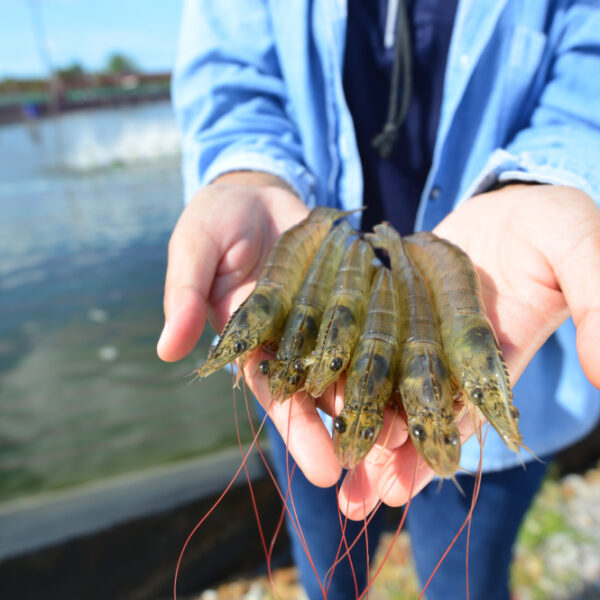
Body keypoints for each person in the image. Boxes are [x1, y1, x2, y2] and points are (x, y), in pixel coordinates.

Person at [159, 1, 600, 598]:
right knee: (326, 563)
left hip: (524, 346)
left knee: (466, 579)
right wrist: (248, 175)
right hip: (311, 380)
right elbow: (233, 82)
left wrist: (549, 177)